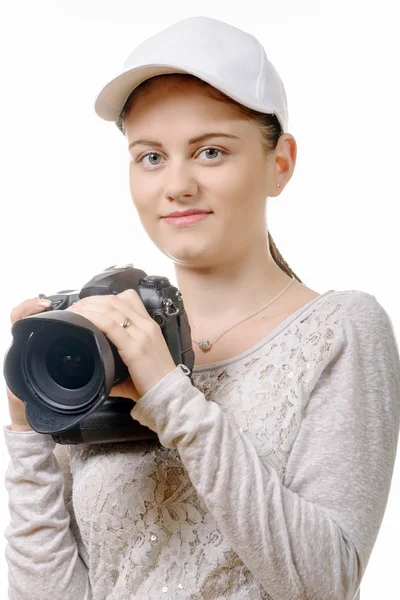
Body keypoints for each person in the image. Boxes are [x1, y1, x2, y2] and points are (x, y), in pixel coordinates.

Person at [3, 15, 400, 600]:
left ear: (280, 163)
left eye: (210, 151)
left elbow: (325, 583)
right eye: (151, 157)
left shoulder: (341, 330)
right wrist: (27, 427)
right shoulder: (102, 346)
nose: (178, 185)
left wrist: (170, 399)